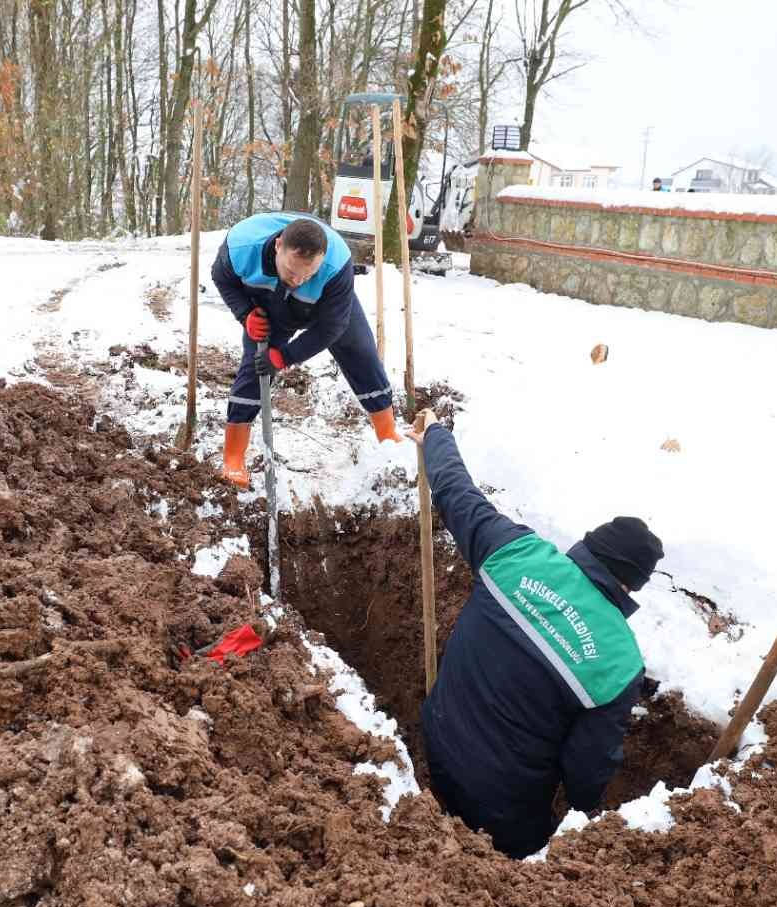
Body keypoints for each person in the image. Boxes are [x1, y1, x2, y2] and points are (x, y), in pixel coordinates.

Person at [405, 409, 664, 859]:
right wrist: (584, 823)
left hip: (438, 740)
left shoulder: (515, 552)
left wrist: (434, 434)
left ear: (590, 546)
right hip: (505, 804)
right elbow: (587, 770)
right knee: (510, 871)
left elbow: (454, 489)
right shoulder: (620, 664)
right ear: (629, 586)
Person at [211, 212, 399, 488]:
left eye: (307, 274)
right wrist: (245, 314)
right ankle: (233, 459)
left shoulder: (336, 264)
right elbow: (221, 277)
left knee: (360, 351)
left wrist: (284, 357)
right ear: (278, 246)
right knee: (255, 367)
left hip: (319, 305)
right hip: (266, 301)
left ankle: (388, 433)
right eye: (291, 271)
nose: (298, 280)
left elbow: (331, 327)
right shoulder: (241, 246)